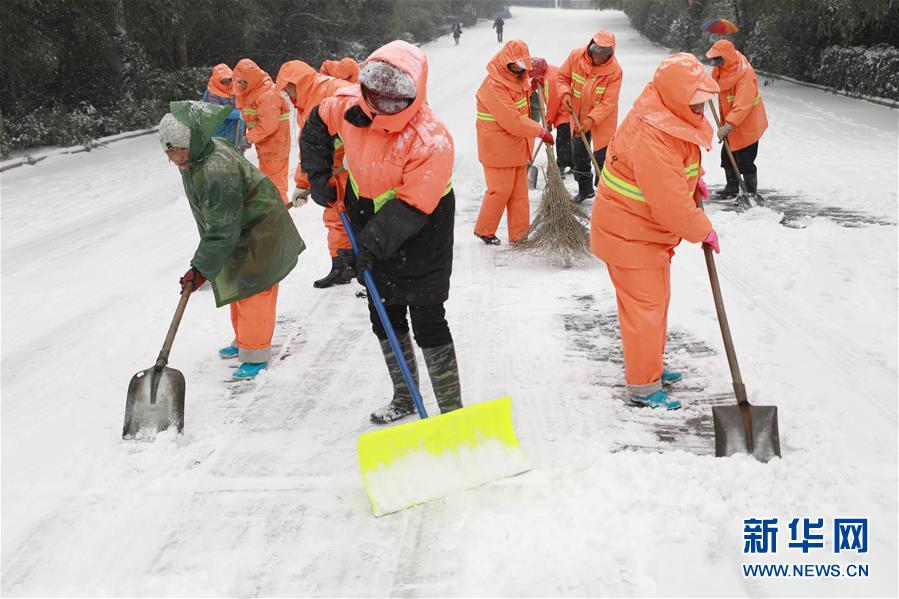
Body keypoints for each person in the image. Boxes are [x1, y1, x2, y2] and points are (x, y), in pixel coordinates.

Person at [300, 40, 464, 424]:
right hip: (366, 214)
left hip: (423, 229)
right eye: (377, 96)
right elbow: (316, 124)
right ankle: (404, 397)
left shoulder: (431, 139)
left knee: (428, 319)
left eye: (393, 100)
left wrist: (369, 247)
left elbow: (413, 205)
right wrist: (319, 174)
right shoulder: (348, 105)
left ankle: (452, 415)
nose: (382, 106)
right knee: (384, 314)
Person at [590, 53, 721, 409]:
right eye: (695, 103)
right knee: (645, 311)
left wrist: (694, 180)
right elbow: (670, 204)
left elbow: (678, 163)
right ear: (676, 97)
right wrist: (702, 229)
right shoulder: (652, 133)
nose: (700, 110)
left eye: (703, 103)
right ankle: (644, 386)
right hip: (628, 235)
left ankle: (651, 366)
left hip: (643, 234)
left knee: (656, 303)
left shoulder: (669, 114)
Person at [158, 101, 304, 380]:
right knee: (237, 284)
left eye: (180, 151)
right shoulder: (198, 156)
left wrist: (200, 268)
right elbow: (220, 222)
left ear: (194, 141)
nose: (176, 159)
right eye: (170, 153)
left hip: (259, 231)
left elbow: (223, 228)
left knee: (254, 290)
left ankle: (255, 352)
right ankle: (244, 340)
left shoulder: (217, 171)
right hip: (240, 229)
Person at [275, 60, 355, 288]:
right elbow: (310, 149)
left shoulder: (331, 89)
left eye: (287, 88)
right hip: (332, 170)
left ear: (295, 82)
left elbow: (359, 120)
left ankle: (366, 271)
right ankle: (342, 266)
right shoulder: (306, 102)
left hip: (352, 168)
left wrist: (356, 152)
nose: (287, 94)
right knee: (335, 217)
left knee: (358, 217)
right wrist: (303, 183)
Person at [473, 40, 553, 245]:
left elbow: (526, 104)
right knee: (500, 191)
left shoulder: (519, 77)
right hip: (497, 147)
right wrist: (540, 131)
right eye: (517, 64)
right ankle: (485, 230)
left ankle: (520, 235)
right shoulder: (493, 86)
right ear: (506, 61)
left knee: (519, 195)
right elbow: (513, 121)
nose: (521, 68)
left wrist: (536, 83)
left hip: (517, 145)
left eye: (523, 65)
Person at [558, 30, 623, 203]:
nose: (599, 57)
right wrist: (565, 94)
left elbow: (608, 102)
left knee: (603, 157)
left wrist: (591, 119)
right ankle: (585, 189)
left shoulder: (615, 71)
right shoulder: (575, 57)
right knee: (579, 154)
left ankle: (605, 193)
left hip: (602, 119)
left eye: (604, 54)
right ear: (590, 47)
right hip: (577, 115)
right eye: (596, 52)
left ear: (610, 53)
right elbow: (562, 77)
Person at [705, 39, 768, 197]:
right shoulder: (721, 69)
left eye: (718, 59)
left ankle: (750, 193)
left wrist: (728, 126)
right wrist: (705, 89)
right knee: (727, 156)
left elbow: (743, 105)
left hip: (748, 124)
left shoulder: (745, 74)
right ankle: (732, 187)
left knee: (746, 160)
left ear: (726, 57)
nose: (715, 63)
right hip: (732, 122)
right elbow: (714, 84)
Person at [232, 58, 292, 205]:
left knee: (275, 186)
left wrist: (248, 138)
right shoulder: (254, 91)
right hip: (267, 147)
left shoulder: (267, 94)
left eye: (242, 82)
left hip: (276, 147)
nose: (240, 85)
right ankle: (273, 210)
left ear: (250, 79)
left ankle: (280, 212)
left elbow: (268, 125)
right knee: (268, 184)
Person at [529, 57, 572, 173]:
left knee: (563, 142)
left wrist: (548, 122)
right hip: (566, 110)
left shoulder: (550, 79)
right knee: (569, 140)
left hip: (565, 113)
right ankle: (573, 165)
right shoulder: (549, 71)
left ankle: (560, 167)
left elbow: (553, 102)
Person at [199, 63, 249, 152]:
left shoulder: (236, 87)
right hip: (220, 132)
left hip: (237, 131)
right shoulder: (211, 93)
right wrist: (238, 114)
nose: (228, 83)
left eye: (230, 79)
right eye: (224, 81)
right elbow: (217, 110)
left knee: (237, 155)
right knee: (222, 154)